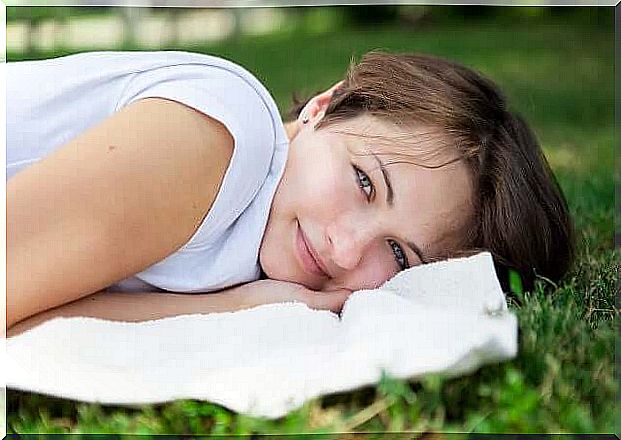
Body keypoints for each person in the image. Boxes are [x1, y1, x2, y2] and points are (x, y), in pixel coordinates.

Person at [6, 50, 574, 336]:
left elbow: (38, 318)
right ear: (323, 108)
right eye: (364, 182)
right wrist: (225, 312)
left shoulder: (255, 261)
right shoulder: (227, 135)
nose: (346, 251)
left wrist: (236, 307)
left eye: (399, 255)